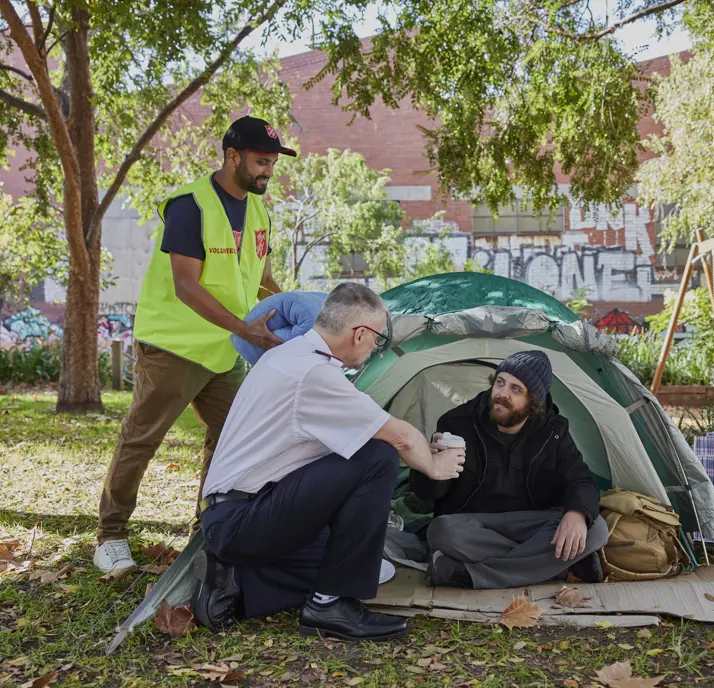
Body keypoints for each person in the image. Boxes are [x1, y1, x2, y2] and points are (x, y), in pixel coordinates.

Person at [191, 283, 466, 642]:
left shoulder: (289, 355)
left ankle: (236, 581)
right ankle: (330, 606)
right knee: (378, 455)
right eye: (378, 341)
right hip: (242, 519)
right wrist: (435, 467)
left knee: (368, 566)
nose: (375, 350)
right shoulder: (314, 374)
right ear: (360, 334)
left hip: (237, 514)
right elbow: (399, 436)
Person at [94, 116, 295, 573]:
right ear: (233, 156)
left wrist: (294, 316)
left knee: (232, 441)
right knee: (142, 438)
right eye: (262, 161)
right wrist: (247, 331)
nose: (268, 171)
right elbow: (186, 286)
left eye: (273, 163)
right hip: (175, 345)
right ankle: (110, 535)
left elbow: (261, 280)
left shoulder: (260, 212)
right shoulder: (190, 205)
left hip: (226, 350)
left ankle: (207, 528)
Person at [411, 350, 610, 589]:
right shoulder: (457, 423)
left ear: (533, 401)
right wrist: (430, 466)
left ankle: (467, 575)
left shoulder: (553, 432)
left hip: (531, 524)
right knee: (441, 531)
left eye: (516, 390)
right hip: (475, 525)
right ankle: (559, 568)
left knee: (596, 528)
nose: (502, 394)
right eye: (500, 383)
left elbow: (582, 481)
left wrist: (576, 514)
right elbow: (425, 494)